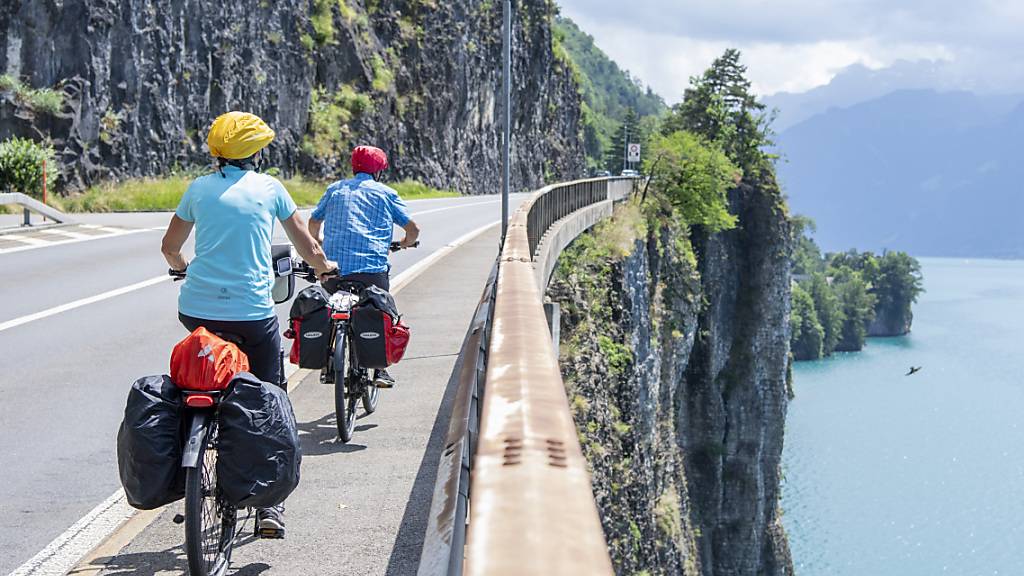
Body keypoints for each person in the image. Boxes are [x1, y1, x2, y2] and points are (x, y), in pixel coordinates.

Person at [160, 111, 336, 536]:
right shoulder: (270, 188)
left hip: (197, 309)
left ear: (217, 152)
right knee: (269, 394)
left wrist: (184, 268)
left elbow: (169, 247)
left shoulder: (197, 189)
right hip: (251, 313)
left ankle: (191, 463)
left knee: (200, 378)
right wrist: (324, 266)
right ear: (255, 153)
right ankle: (268, 507)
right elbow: (307, 245)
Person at [308, 145, 420, 388]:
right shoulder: (385, 193)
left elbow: (314, 222)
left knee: (329, 310)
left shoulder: (335, 190)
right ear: (378, 172)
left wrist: (319, 244)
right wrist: (404, 243)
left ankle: (328, 365)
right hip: (371, 272)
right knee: (382, 313)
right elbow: (413, 230)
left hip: (333, 270)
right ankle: (380, 371)